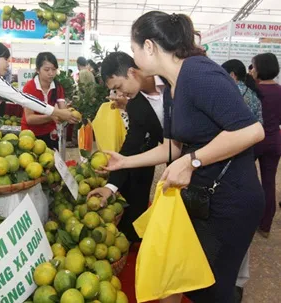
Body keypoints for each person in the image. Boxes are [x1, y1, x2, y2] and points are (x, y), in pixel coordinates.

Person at [102, 11, 265, 303]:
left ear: (149, 46)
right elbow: (173, 147)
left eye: (134, 48)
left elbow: (252, 131)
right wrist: (124, 162)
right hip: (202, 197)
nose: (134, 56)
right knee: (186, 276)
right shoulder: (171, 88)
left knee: (211, 288)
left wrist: (193, 161)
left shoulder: (199, 74)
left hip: (231, 199)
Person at [88, 51, 163, 243]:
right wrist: (111, 187)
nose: (120, 94)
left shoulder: (171, 81)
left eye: (119, 86)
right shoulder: (136, 104)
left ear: (131, 72)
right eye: (115, 90)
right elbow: (131, 145)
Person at [251, 53, 281, 238]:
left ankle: (247, 217)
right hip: (275, 140)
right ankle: (265, 225)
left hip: (254, 140)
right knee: (269, 183)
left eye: (253, 66)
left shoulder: (253, 90)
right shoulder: (280, 91)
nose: (252, 70)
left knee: (246, 180)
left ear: (260, 68)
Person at [21, 52, 67, 150]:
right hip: (30, 135)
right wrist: (52, 116)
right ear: (38, 70)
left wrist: (68, 113)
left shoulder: (57, 87)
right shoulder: (29, 87)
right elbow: (29, 119)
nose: (51, 73)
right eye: (46, 70)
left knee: (51, 162)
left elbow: (63, 111)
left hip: (50, 133)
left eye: (54, 69)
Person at [222, 59, 263, 124]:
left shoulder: (231, 92)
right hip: (254, 132)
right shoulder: (252, 91)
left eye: (223, 74)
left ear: (232, 75)